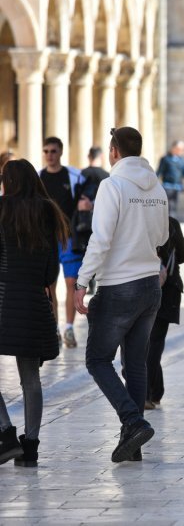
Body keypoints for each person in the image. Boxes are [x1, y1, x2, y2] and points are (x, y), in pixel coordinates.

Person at [74, 126, 169, 463]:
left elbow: (100, 239)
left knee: (98, 359)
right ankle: (133, 447)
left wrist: (81, 282)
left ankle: (133, 420)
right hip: (149, 284)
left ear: (114, 151)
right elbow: (162, 235)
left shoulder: (112, 185)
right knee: (136, 363)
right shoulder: (156, 186)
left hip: (119, 285)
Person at [0, 159, 69, 467]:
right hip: (32, 302)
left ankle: (5, 435)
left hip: (3, 300)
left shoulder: (1, 209)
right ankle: (31, 447)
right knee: (30, 377)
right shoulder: (47, 210)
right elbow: (51, 269)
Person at [39, 136, 85, 349]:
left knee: (71, 282)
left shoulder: (74, 176)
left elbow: (86, 195)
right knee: (49, 286)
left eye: (53, 151)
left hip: (68, 237)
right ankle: (54, 328)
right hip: (47, 239)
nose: (50, 155)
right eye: (46, 151)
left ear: (61, 152)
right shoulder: (39, 178)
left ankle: (68, 327)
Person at [145, 216, 184, 410]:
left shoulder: (142, 220)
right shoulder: (171, 223)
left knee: (145, 343)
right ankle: (152, 392)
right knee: (155, 344)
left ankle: (150, 392)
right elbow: (183, 256)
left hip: (142, 286)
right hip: (169, 289)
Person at [156, 140, 184, 218]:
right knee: (169, 206)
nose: (182, 151)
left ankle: (172, 223)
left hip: (177, 187)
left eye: (183, 149)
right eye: (180, 149)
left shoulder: (182, 160)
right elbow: (159, 172)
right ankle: (169, 223)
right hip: (167, 187)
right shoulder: (165, 159)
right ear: (174, 148)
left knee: (173, 206)